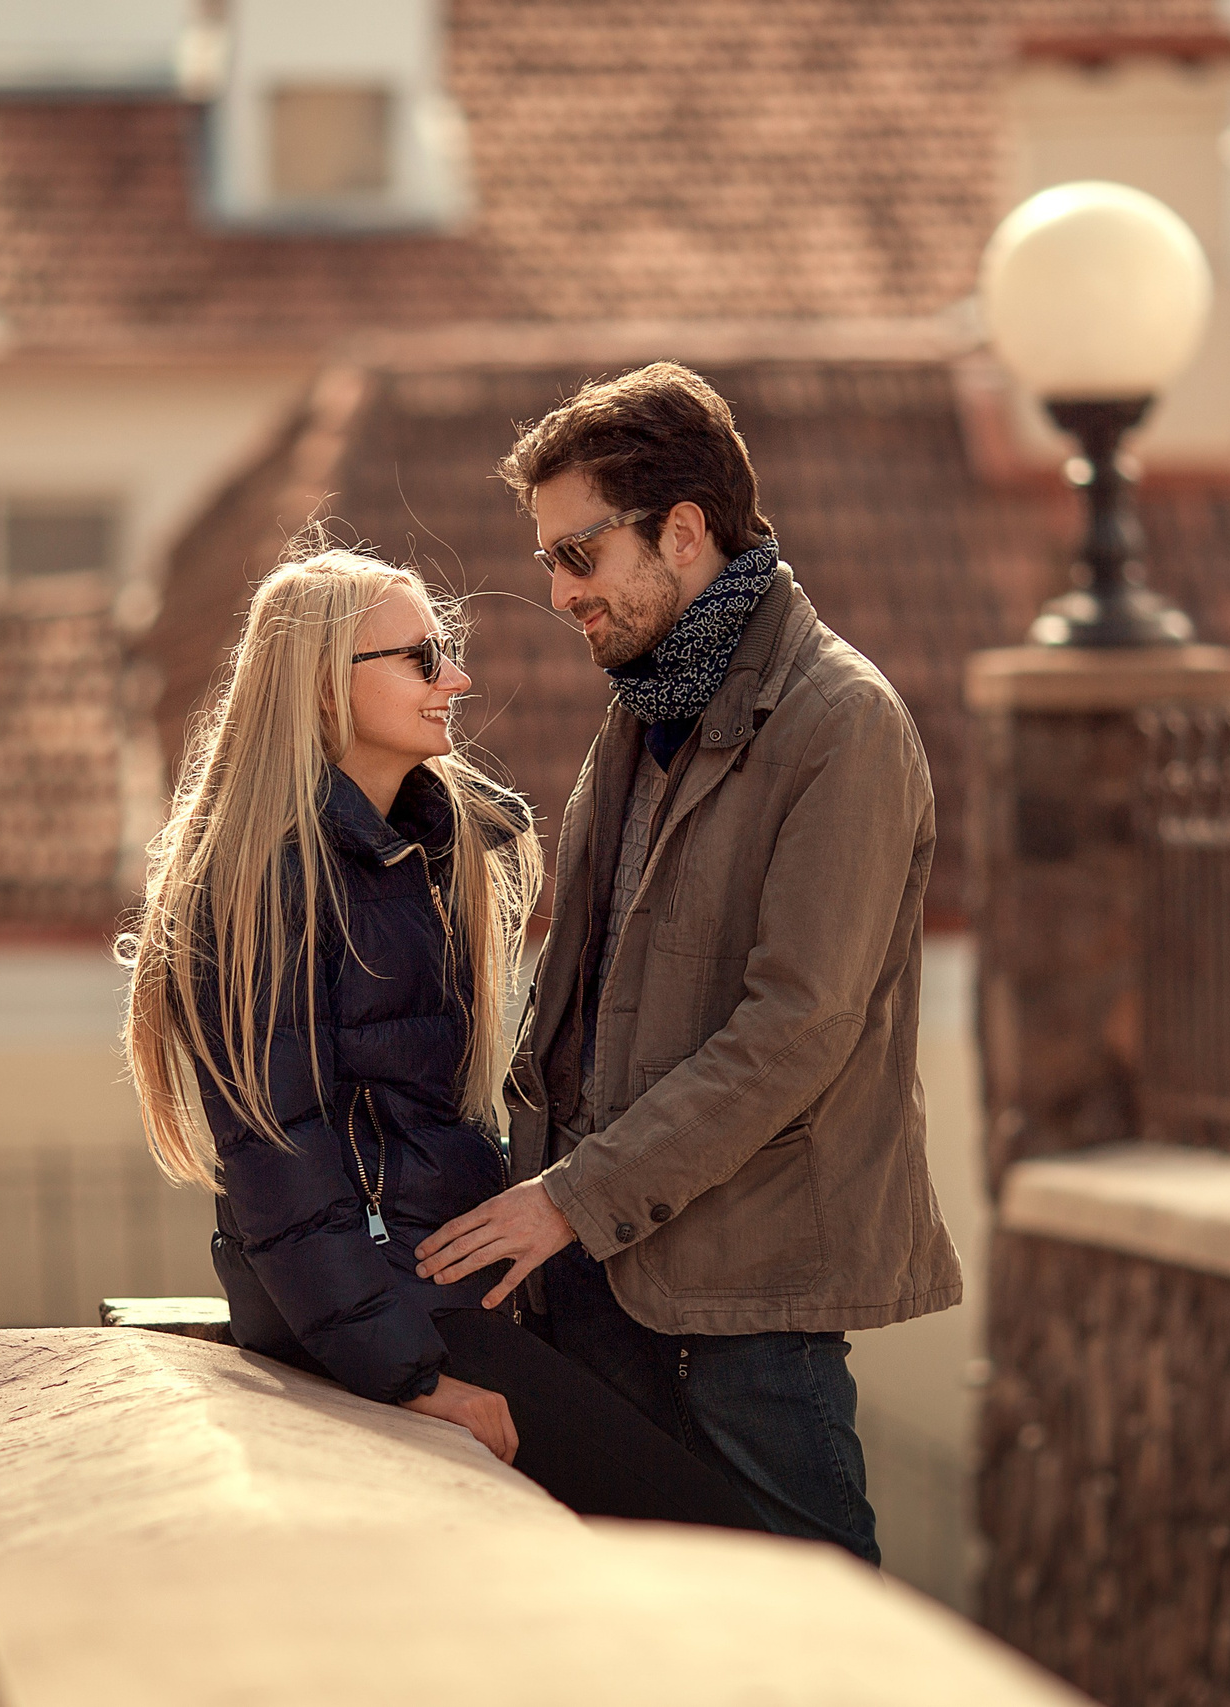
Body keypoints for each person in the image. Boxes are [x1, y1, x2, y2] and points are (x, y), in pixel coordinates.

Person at [410, 363, 964, 1563]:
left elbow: (797, 1031)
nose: (558, 591)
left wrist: (565, 1201)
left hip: (747, 1306)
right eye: (551, 558)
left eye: (578, 555)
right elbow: (584, 994)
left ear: (685, 529)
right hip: (597, 1285)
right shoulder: (643, 710)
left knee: (823, 1649)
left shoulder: (843, 724)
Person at [121, 543, 761, 1531]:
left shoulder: (413, 854)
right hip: (391, 1319)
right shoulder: (261, 886)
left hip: (441, 1294)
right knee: (712, 1546)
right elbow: (280, 1173)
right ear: (327, 691)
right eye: (421, 659)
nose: (455, 678)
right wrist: (413, 1381)